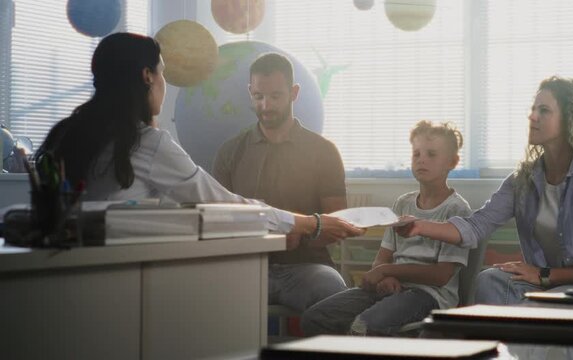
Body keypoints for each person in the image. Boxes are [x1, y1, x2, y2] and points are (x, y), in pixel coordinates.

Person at [37, 32, 364, 243]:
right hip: (116, 273)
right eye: (163, 73)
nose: (165, 85)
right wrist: (308, 223)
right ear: (147, 76)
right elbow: (222, 205)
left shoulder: (64, 134)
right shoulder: (147, 143)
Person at [397, 76, 573, 305]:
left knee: (547, 301)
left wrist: (545, 275)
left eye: (544, 110)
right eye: (533, 109)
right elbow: (476, 227)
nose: (532, 117)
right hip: (554, 284)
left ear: (571, 120)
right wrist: (420, 225)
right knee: (489, 281)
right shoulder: (524, 179)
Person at [301, 120, 472, 336]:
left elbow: (441, 275)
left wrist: (387, 271)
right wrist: (386, 277)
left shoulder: (457, 209)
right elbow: (383, 256)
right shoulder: (403, 203)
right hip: (392, 288)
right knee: (315, 319)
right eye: (416, 154)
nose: (421, 160)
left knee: (364, 326)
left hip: (428, 296)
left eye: (431, 154)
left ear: (453, 162)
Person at [212, 52, 351, 312]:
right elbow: (218, 221)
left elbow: (337, 223)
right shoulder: (230, 152)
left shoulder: (323, 151)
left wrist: (301, 237)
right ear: (250, 92)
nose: (266, 105)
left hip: (306, 268)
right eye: (258, 96)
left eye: (275, 96)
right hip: (247, 268)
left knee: (331, 288)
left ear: (294, 92)